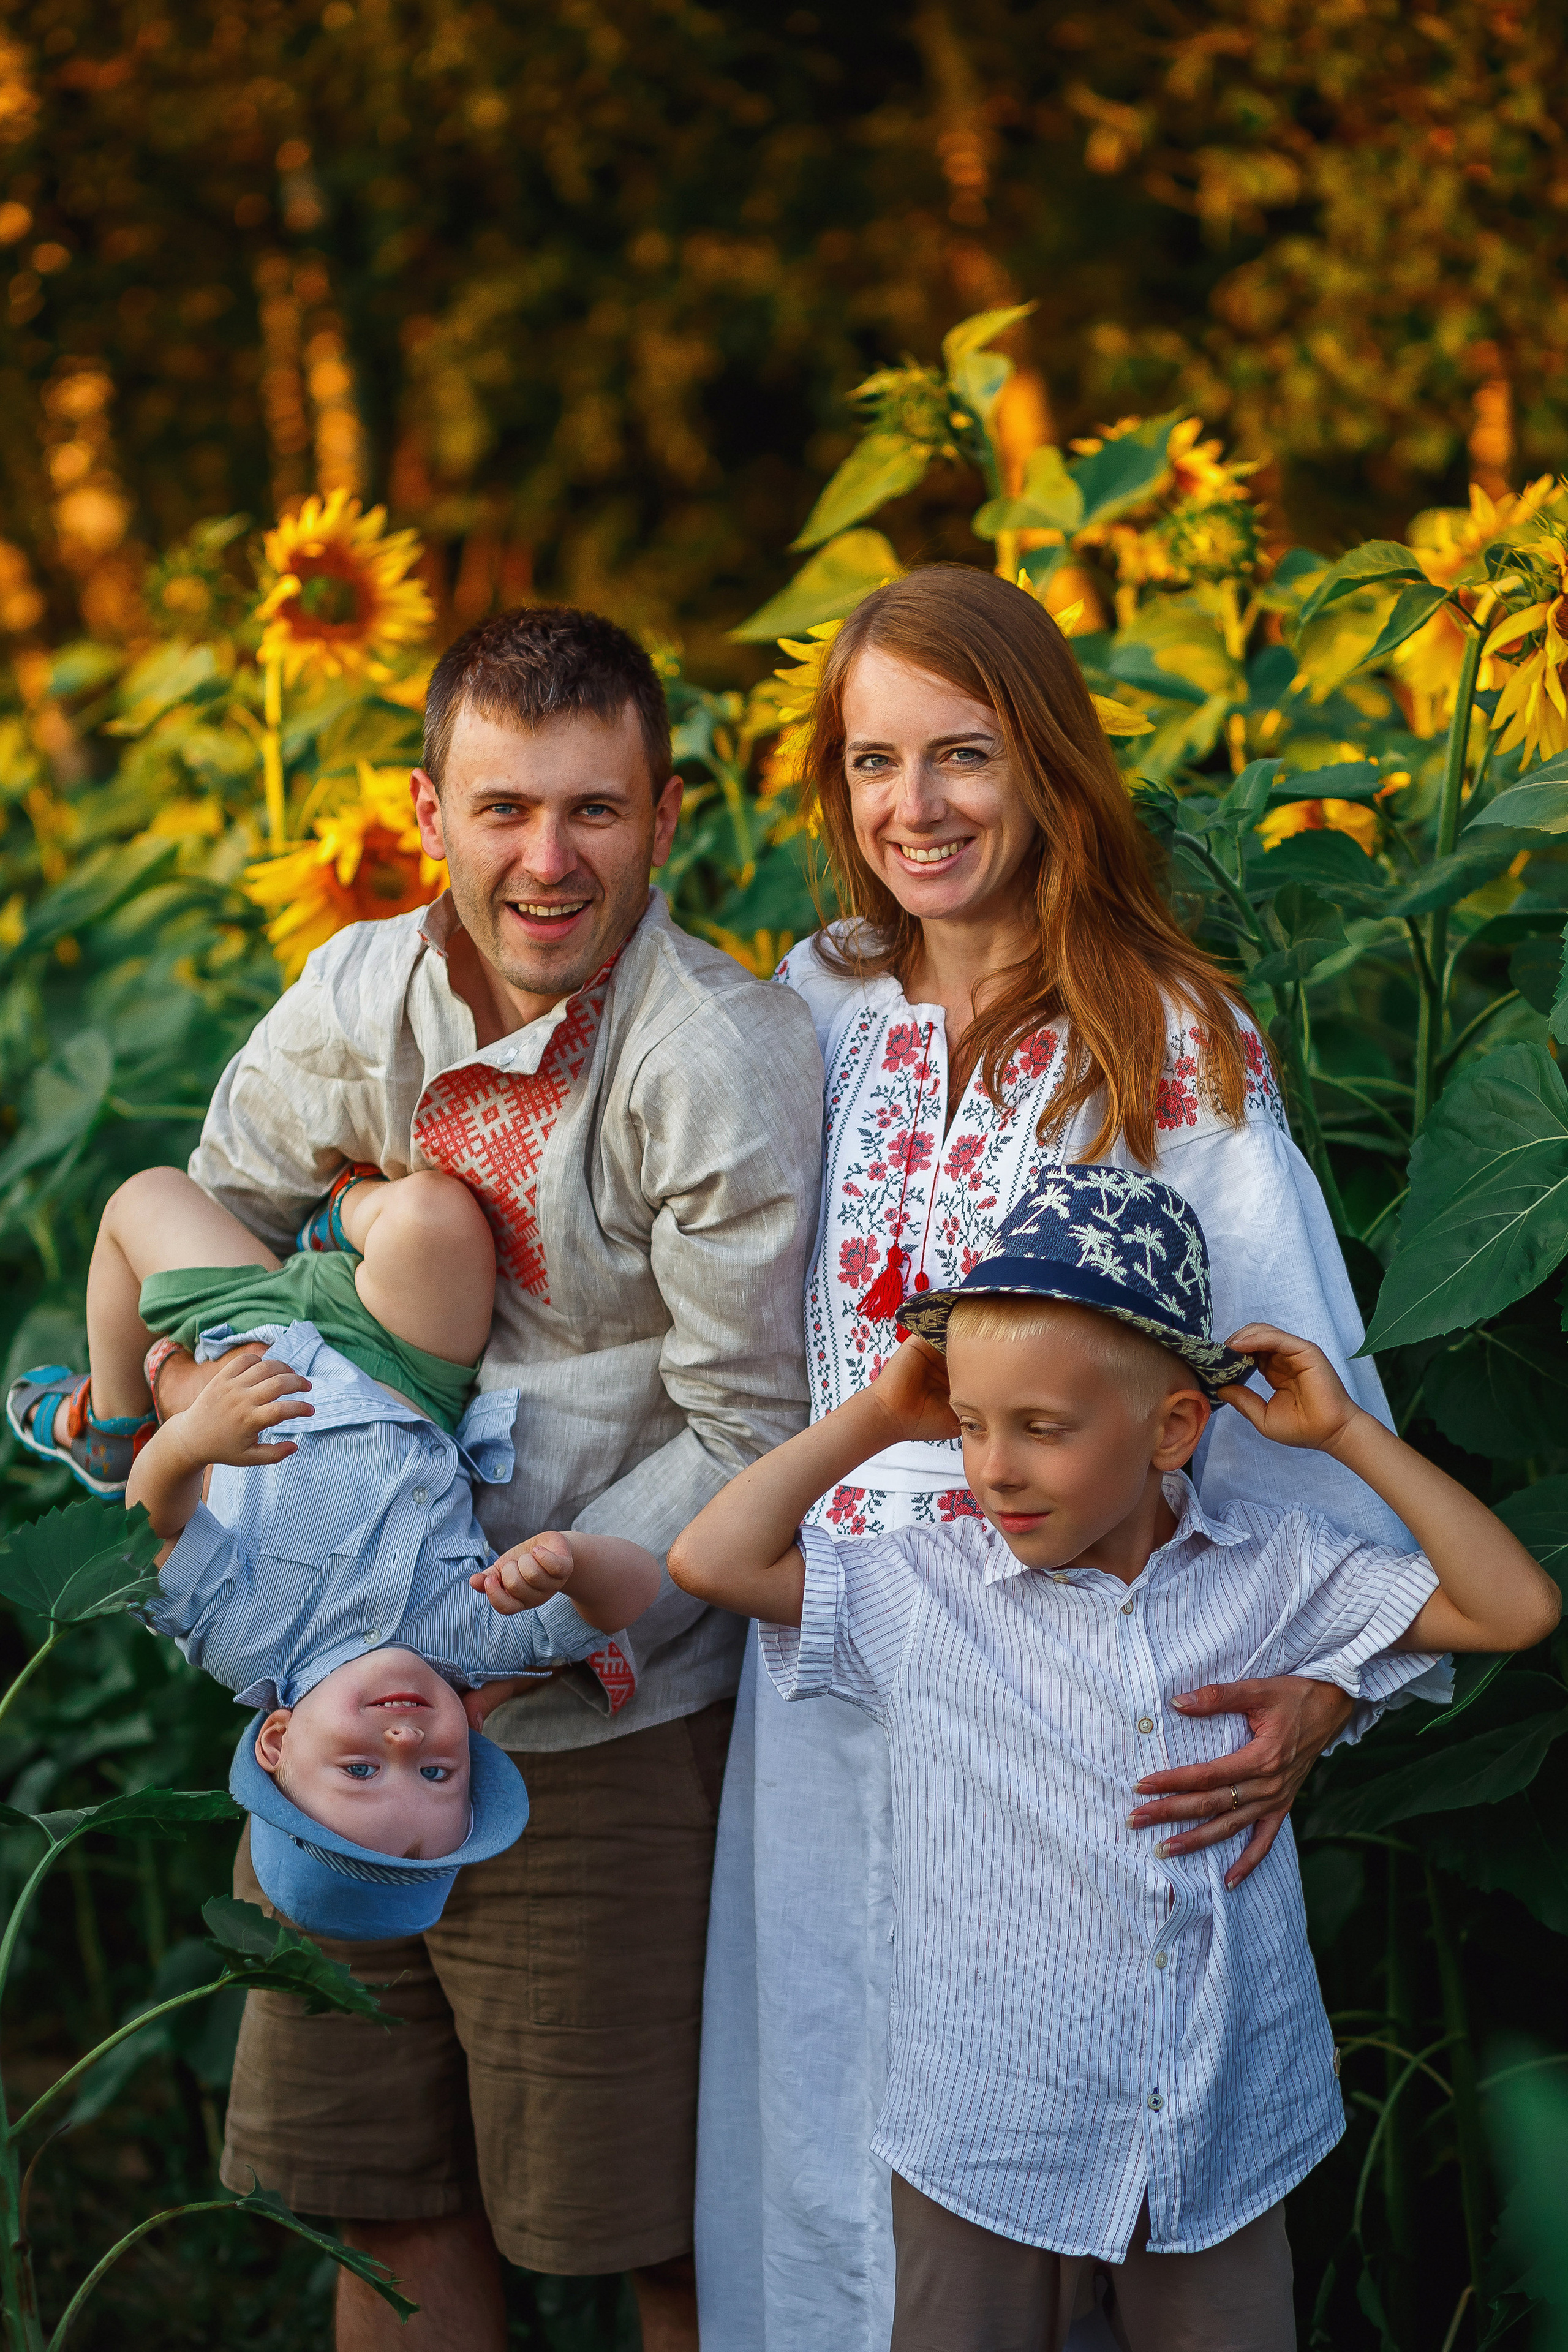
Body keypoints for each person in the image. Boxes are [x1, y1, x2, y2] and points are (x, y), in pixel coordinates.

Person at [695, 565, 1450, 2351]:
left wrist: (1323, 1685)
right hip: (835, 1643)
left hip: (1071, 1681)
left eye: (961, 753)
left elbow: (1277, 1364)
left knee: (1096, 2137)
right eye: (872, 761)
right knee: (832, 2125)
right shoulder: (818, 1003)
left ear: (1046, 763)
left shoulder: (1160, 1034)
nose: (913, 805)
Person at [131, 606, 824, 2352]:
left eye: (594, 809)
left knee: (647, 2224)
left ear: (665, 818)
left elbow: (745, 1429)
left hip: (586, 1715)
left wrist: (503, 1622)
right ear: (426, 806)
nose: (547, 858)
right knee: (380, 2192)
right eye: (504, 806)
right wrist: (188, 1411)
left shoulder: (714, 1058)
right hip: (334, 1717)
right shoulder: (358, 990)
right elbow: (219, 1220)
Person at [675, 1169, 1558, 2351]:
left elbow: (1513, 1608)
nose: (994, 1468)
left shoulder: (1273, 1574)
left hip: (1216, 2124)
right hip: (992, 2132)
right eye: (972, 1424)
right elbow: (712, 1562)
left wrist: (1346, 1430)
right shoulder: (925, 1589)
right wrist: (880, 1419)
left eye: (1042, 1428)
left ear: (1175, 1430)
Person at [6, 1163, 657, 1935]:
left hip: (249, 1353)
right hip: (405, 1366)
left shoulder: (245, 1642)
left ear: (278, 1739)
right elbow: (634, 1593)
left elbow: (154, 1530)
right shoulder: (478, 1642)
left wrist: (187, 1442)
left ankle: (113, 1427)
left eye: (361, 1768)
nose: (405, 1739)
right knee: (435, 1216)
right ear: (472, 1743)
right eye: (437, 1770)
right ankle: (346, 1219)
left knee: (139, 1200)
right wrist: (575, 1566)